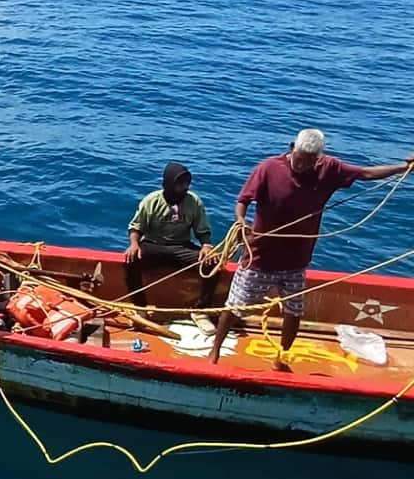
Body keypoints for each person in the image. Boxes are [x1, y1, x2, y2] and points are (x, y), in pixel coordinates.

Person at [209, 129, 414, 366]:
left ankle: (281, 356)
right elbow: (243, 200)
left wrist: (403, 167)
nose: (300, 163)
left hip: (297, 260)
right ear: (292, 147)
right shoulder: (268, 168)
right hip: (260, 256)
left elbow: (365, 173)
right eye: (298, 157)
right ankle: (214, 351)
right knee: (235, 307)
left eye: (308, 160)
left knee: (294, 312)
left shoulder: (329, 169)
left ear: (318, 158)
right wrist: (240, 221)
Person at [124, 161, 219, 333]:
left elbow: (202, 229)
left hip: (180, 247)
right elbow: (136, 227)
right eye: (180, 184)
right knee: (131, 260)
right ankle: (140, 307)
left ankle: (200, 312)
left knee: (212, 264)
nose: (184, 188)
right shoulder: (151, 201)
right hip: (154, 245)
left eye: (187, 184)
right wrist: (134, 244)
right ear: (169, 183)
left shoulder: (193, 201)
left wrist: (206, 245)